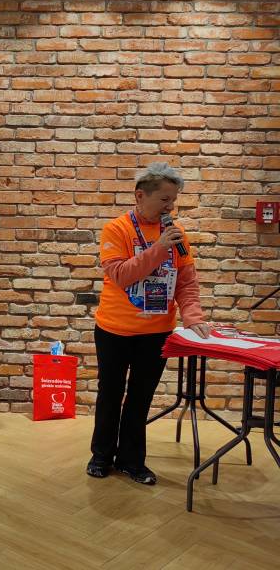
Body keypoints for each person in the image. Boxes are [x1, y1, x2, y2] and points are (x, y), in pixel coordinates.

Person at [87, 162, 210, 485]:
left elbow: (186, 281)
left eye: (174, 200)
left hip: (156, 333)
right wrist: (158, 249)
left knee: (140, 398)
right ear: (140, 196)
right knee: (110, 394)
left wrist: (193, 316)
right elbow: (121, 275)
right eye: (165, 199)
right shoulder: (117, 229)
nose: (171, 207)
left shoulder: (177, 235)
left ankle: (131, 461)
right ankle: (101, 456)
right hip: (114, 330)